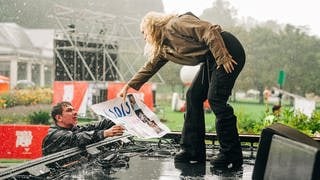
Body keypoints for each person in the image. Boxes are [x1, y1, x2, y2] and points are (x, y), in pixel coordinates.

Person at [119, 11, 245, 169]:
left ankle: (231, 154)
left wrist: (222, 57)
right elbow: (150, 67)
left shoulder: (175, 24)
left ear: (151, 26)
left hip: (227, 50)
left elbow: (208, 29)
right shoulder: (164, 47)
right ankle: (192, 151)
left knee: (216, 99)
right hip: (212, 58)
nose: (143, 36)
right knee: (193, 96)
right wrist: (128, 85)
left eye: (143, 31)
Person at [42, 101, 125, 156]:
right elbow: (77, 138)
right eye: (69, 110)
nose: (75, 112)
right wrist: (105, 133)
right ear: (59, 118)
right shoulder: (55, 135)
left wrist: (119, 115)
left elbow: (96, 126)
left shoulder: (72, 129)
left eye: (74, 110)